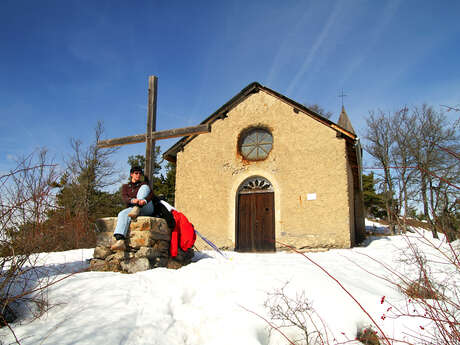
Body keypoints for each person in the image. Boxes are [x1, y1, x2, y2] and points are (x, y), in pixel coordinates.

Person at [110, 166, 155, 251]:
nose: (138, 175)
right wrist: (132, 200)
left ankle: (137, 208)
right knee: (122, 213)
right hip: (133, 208)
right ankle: (120, 241)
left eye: (139, 173)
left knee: (145, 187)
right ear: (131, 174)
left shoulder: (143, 185)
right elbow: (124, 198)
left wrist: (144, 201)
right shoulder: (125, 187)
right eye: (136, 173)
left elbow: (151, 195)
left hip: (146, 207)